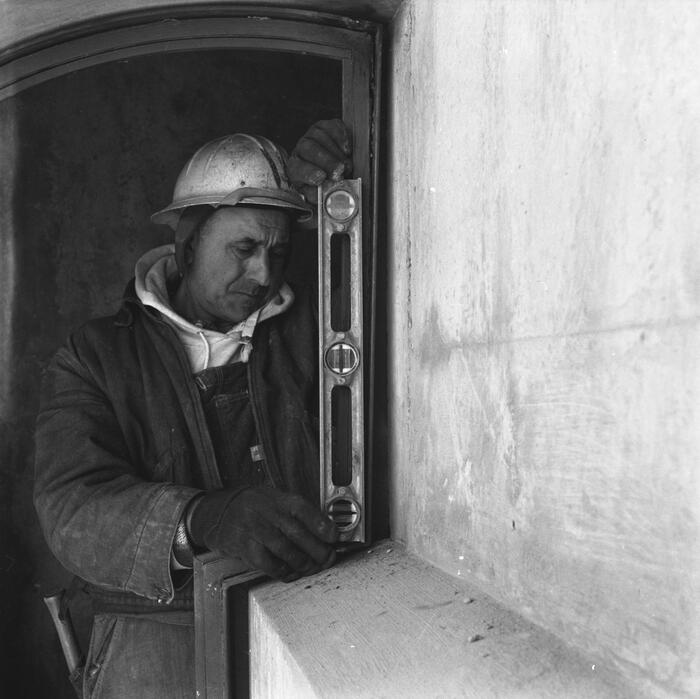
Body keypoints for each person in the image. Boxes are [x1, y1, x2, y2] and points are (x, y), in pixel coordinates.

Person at [34, 120, 353, 698]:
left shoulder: (320, 332)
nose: (262, 273)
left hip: (306, 616)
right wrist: (201, 517)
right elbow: (71, 509)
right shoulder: (96, 356)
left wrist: (346, 159)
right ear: (186, 246)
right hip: (155, 636)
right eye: (244, 248)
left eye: (278, 251)